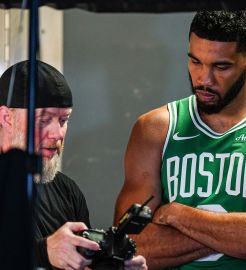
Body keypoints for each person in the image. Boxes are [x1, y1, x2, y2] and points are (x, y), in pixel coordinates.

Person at [114, 9, 246, 270]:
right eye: (195, 61)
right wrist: (239, 233)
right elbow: (127, 247)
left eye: (221, 66)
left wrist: (178, 214)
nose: (203, 79)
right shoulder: (155, 130)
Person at [0, 60, 147, 270]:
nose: (57, 134)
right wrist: (44, 253)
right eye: (44, 120)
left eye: (63, 120)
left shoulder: (67, 191)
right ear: (6, 117)